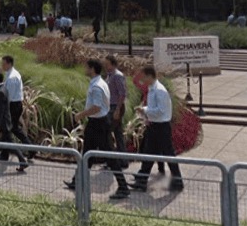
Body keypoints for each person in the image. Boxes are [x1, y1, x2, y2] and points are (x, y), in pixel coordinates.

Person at [64, 59, 130, 198]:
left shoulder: (97, 87)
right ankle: (77, 181)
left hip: (99, 124)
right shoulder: (101, 82)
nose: (84, 69)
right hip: (96, 123)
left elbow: (97, 107)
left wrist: (80, 115)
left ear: (92, 69)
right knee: (86, 153)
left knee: (110, 156)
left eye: (86, 67)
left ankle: (123, 187)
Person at [132, 65, 183, 191]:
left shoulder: (159, 90)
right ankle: (142, 179)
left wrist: (144, 110)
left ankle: (177, 181)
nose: (142, 79)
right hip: (154, 125)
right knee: (149, 153)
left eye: (143, 76)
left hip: (161, 127)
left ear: (150, 76)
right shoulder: (152, 89)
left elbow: (161, 110)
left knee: (168, 154)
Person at [0, 55, 33, 156]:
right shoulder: (10, 74)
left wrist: (4, 108)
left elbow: (9, 95)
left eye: (4, 63)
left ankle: (30, 149)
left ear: (9, 64)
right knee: (11, 128)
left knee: (10, 128)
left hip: (13, 105)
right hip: (15, 104)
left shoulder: (12, 77)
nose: (2, 66)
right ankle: (5, 153)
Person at [104, 55, 130, 167]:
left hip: (115, 107)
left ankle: (113, 160)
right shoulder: (109, 75)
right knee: (118, 133)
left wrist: (118, 109)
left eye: (107, 64)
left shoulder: (117, 76)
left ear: (112, 64)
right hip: (110, 107)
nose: (105, 66)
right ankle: (122, 160)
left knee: (107, 132)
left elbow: (122, 94)